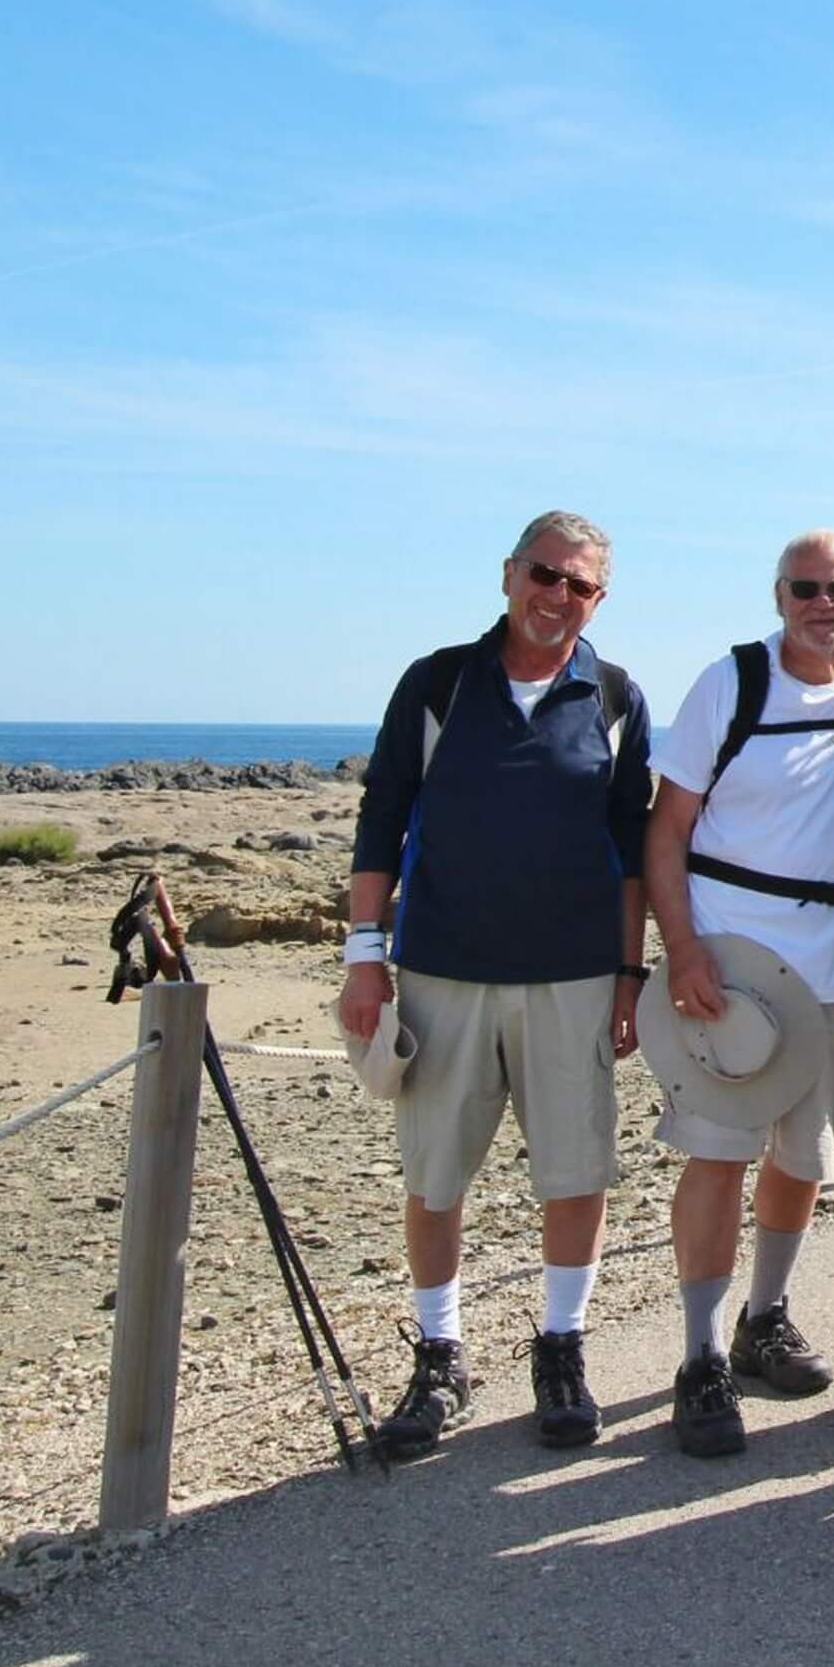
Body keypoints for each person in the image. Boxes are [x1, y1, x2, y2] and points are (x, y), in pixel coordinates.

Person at [342, 511, 654, 1458]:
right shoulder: (438, 682)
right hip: (442, 970)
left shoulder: (614, 693)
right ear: (509, 573)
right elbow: (382, 818)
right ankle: (440, 1355)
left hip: (573, 976)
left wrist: (631, 974)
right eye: (545, 576)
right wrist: (364, 954)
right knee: (436, 1176)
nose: (558, 597)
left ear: (600, 597)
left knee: (576, 1170)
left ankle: (561, 1347)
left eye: (580, 586)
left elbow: (634, 851)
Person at [646, 530, 834, 1458]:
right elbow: (665, 829)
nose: (822, 603)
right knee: (718, 1154)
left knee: (807, 1154)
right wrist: (679, 951)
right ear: (778, 593)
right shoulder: (729, 684)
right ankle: (701, 1356)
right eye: (805, 587)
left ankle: (767, 1318)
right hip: (732, 963)